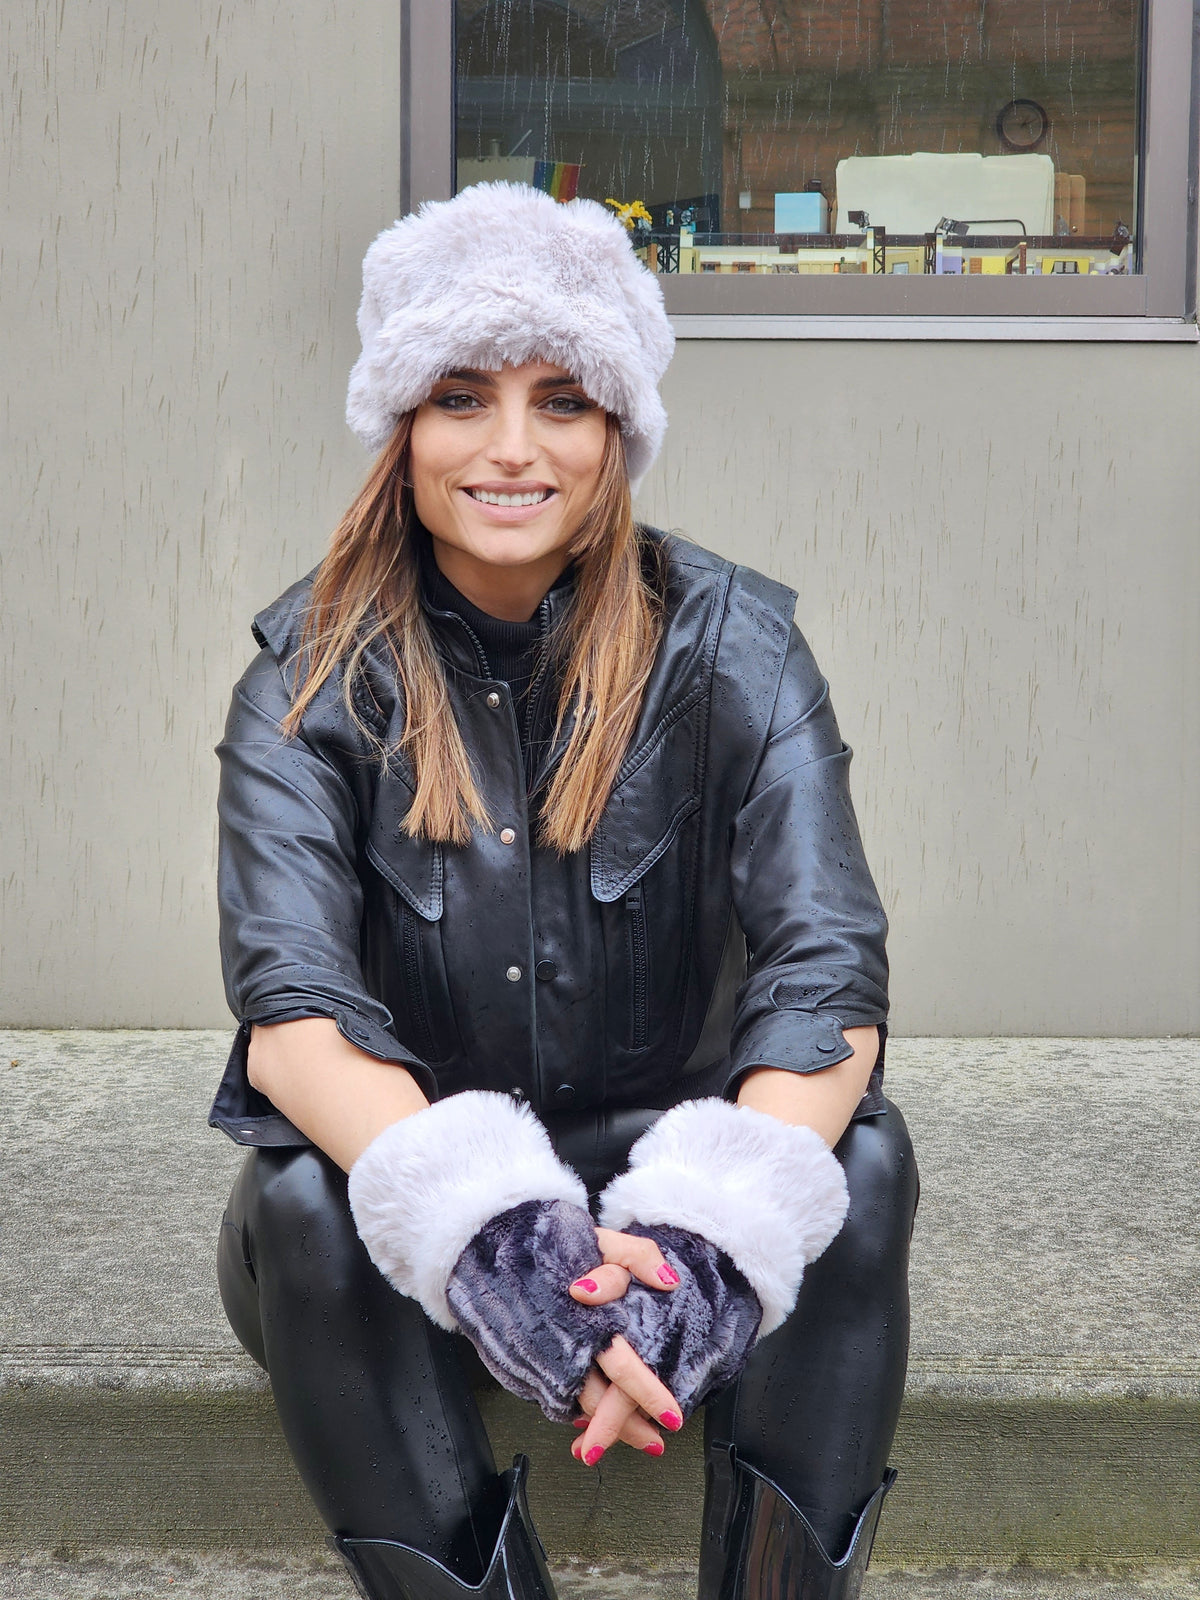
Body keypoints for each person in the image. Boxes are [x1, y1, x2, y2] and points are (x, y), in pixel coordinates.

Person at [211, 182, 918, 1600]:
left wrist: (697, 1252)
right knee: (300, 1202)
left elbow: (827, 976)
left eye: (565, 401)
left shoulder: (741, 655)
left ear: (618, 437)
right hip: (416, 1202)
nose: (514, 449)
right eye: (463, 397)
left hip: (673, 1158)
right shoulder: (303, 683)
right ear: (403, 428)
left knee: (858, 1161)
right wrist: (507, 1246)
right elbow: (293, 1017)